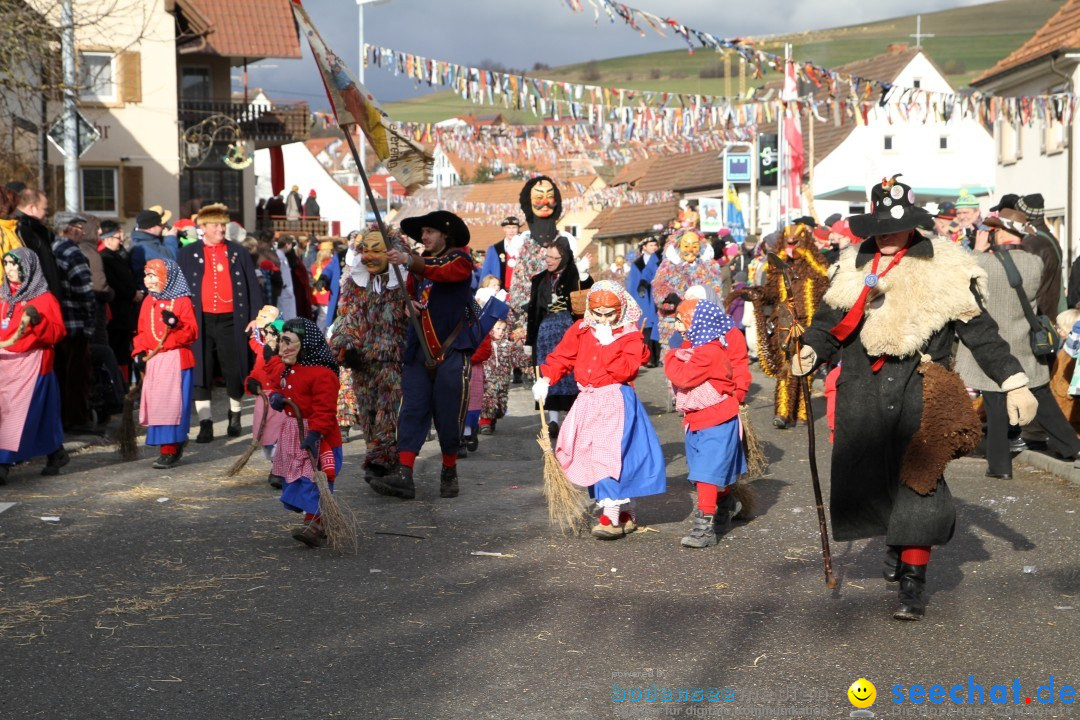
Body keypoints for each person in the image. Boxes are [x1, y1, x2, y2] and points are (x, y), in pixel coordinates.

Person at [793, 175, 1039, 621]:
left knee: (920, 481)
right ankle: (896, 541)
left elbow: (980, 332)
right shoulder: (851, 265)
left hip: (921, 388)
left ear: (913, 225)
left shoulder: (947, 269)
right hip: (862, 391)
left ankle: (913, 582)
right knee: (870, 479)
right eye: (880, 226)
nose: (886, 235)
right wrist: (813, 348)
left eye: (895, 225)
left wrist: (1014, 379)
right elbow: (829, 321)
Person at [371, 211, 499, 500]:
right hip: (419, 351)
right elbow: (409, 294)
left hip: (452, 351)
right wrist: (409, 306)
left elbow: (443, 270)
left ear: (445, 235)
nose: (424, 237)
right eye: (423, 233)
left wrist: (408, 260)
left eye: (430, 232)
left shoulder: (460, 260)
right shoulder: (419, 266)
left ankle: (449, 470)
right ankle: (405, 474)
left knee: (448, 414)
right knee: (412, 410)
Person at [532, 281, 666, 539]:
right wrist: (546, 379)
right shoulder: (581, 329)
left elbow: (626, 370)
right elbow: (563, 356)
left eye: (609, 314)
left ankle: (611, 518)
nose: (602, 319)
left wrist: (610, 347)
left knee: (609, 456)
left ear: (620, 310)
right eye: (597, 313)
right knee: (592, 454)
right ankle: (625, 512)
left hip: (614, 400)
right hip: (587, 400)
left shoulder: (628, 335)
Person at [955, 215, 1080, 478]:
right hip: (1025, 343)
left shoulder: (982, 262)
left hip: (992, 347)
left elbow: (961, 279)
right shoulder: (1034, 263)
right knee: (1042, 399)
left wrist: (977, 250)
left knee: (996, 405)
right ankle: (1070, 447)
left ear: (1000, 234)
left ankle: (1000, 467)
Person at [664, 298, 751, 548]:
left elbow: (682, 375)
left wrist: (671, 356)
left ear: (696, 322)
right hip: (697, 419)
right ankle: (724, 503)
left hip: (716, 420)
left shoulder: (710, 352)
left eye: (682, 320)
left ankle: (704, 530)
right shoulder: (700, 346)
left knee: (706, 474)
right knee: (706, 474)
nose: (678, 325)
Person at [252, 317, 343, 548]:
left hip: (319, 437)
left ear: (305, 344)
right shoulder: (289, 369)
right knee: (299, 478)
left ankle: (314, 523)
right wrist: (277, 399)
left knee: (314, 479)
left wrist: (315, 434)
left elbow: (325, 410)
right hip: (295, 433)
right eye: (281, 341)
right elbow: (278, 385)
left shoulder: (322, 374)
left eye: (288, 342)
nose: (282, 348)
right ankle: (316, 521)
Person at [176, 203, 261, 443]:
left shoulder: (238, 251)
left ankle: (234, 413)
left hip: (232, 319)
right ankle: (205, 423)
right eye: (216, 225)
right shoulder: (187, 253)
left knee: (233, 369)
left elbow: (252, 285)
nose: (222, 229)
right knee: (201, 369)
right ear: (203, 228)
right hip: (199, 319)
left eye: (223, 224)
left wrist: (256, 316)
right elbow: (181, 288)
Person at [329, 230, 409, 484]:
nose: (369, 256)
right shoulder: (355, 282)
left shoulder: (405, 282)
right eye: (365, 250)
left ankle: (384, 459)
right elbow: (346, 316)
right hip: (362, 360)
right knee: (367, 411)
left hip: (393, 358)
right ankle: (373, 452)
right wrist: (345, 345)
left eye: (376, 249)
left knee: (390, 410)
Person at [737, 220, 829, 429]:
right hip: (785, 324)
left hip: (809, 324)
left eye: (796, 242)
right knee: (786, 367)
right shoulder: (778, 268)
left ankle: (803, 411)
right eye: (789, 243)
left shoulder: (815, 266)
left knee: (806, 365)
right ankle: (783, 412)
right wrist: (757, 293)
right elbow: (771, 294)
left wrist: (808, 255)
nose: (792, 246)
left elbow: (826, 280)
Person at [0, 248, 68, 483]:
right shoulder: (4, 297)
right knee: (32, 414)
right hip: (5, 364)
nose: (10, 270)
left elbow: (57, 333)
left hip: (33, 364)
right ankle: (55, 452)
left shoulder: (44, 299)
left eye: (15, 265)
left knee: (17, 414)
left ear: (28, 269)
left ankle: (3, 462)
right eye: (6, 264)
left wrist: (38, 324)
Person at [526, 236, 593, 439]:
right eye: (547, 256)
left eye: (554, 258)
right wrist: (529, 341)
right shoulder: (539, 279)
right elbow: (533, 312)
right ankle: (553, 421)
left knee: (572, 375)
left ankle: (573, 420)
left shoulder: (574, 272)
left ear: (564, 258)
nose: (549, 261)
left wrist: (584, 274)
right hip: (545, 334)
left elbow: (589, 294)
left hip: (570, 331)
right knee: (548, 374)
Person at [133, 259, 197, 469]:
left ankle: (170, 447)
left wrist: (176, 324)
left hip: (176, 360)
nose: (148, 281)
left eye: (153, 276)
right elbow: (142, 330)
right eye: (147, 276)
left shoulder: (182, 302)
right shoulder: (148, 301)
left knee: (172, 406)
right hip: (155, 360)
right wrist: (138, 351)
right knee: (159, 405)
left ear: (166, 278)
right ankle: (171, 442)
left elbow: (192, 333)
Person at [51, 212, 97, 433]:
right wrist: (91, 321)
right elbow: (85, 292)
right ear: (69, 229)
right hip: (76, 322)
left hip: (58, 322)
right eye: (79, 227)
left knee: (61, 373)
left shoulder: (51, 249)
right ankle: (78, 419)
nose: (82, 232)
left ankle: (63, 418)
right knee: (78, 374)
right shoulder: (72, 252)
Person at [99, 221, 143, 382]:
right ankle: (118, 385)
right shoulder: (104, 258)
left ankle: (124, 384)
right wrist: (132, 294)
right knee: (117, 351)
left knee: (124, 352)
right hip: (116, 313)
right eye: (119, 237)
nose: (122, 240)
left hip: (125, 314)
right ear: (108, 239)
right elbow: (113, 283)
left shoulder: (118, 255)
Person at [14, 188, 62, 297]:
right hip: (37, 301)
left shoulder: (35, 229)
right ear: (32, 208)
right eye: (44, 208)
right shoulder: (21, 231)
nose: (47, 212)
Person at [626, 234, 662, 366]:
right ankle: (648, 358)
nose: (654, 247)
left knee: (658, 326)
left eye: (655, 245)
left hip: (655, 296)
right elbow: (633, 283)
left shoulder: (658, 260)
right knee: (646, 327)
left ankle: (658, 357)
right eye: (651, 245)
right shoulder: (638, 264)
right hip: (643, 299)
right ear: (644, 247)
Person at [129, 208, 179, 289]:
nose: (163, 227)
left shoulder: (147, 241)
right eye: (160, 225)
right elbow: (171, 260)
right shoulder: (145, 246)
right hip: (151, 292)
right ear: (150, 227)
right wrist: (170, 238)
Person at [481, 217, 524, 292]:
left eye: (514, 227)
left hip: (521, 291)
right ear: (504, 229)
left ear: (518, 229)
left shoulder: (524, 248)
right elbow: (486, 273)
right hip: (499, 292)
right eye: (508, 228)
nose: (511, 231)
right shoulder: (494, 249)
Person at [310, 240, 340, 332]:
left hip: (318, 294)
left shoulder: (315, 264)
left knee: (321, 316)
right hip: (327, 294)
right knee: (326, 317)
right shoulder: (330, 263)